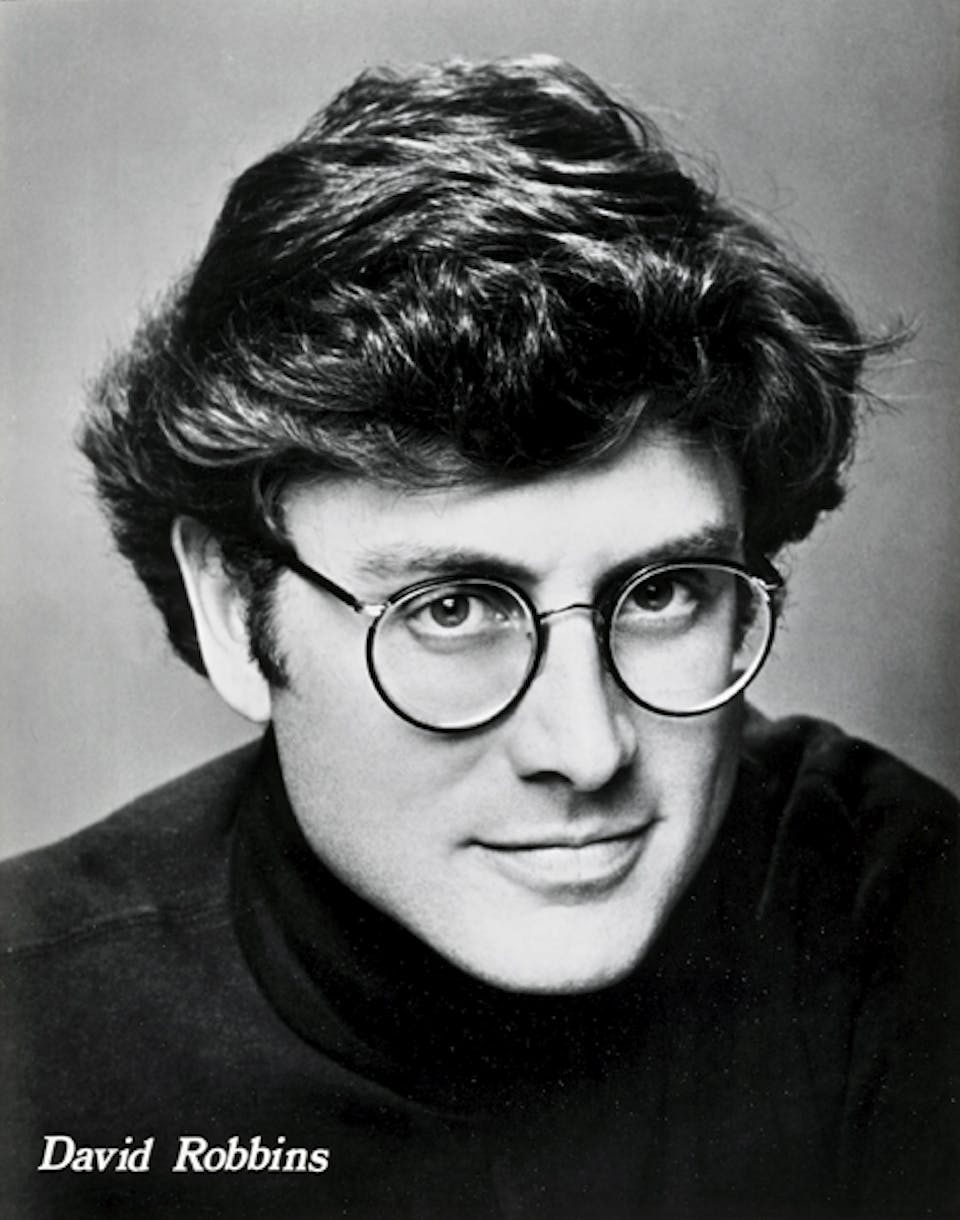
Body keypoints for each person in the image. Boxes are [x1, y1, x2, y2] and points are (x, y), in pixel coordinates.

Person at [1, 54, 956, 1220]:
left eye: (662, 592)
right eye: (450, 608)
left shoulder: (897, 917)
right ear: (232, 613)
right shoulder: (25, 1043)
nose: (587, 748)